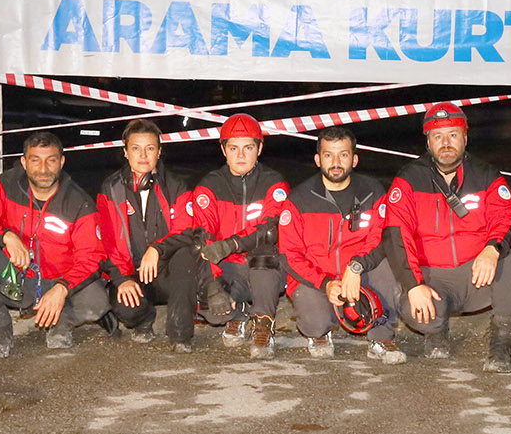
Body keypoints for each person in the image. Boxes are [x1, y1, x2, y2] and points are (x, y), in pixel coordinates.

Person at [381, 102, 511, 370]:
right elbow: (396, 234)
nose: (446, 143)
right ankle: (436, 333)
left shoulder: (486, 175)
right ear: (427, 142)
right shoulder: (409, 179)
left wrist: (492, 248)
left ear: (465, 137)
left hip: (477, 275)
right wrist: (413, 285)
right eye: (438, 136)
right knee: (426, 318)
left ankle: (502, 342)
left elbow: (507, 216)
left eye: (453, 135)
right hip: (433, 278)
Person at [0, 131, 108, 355]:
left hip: (59, 283)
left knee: (98, 301)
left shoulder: (79, 203)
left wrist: (62, 288)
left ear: (62, 162)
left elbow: (92, 258)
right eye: (35, 160)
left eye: (51, 160)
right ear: (24, 162)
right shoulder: (5, 184)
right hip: (17, 280)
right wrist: (5, 236)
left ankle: (60, 323)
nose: (43, 169)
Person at [282, 126, 406, 363]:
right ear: (318, 159)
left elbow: (380, 238)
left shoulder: (372, 191)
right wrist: (325, 283)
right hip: (318, 278)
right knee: (314, 321)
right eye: (329, 155)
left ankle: (381, 336)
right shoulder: (298, 199)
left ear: (355, 159)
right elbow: (289, 254)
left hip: (359, 272)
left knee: (388, 262)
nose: (336, 162)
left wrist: (357, 266)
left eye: (344, 154)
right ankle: (319, 334)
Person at [186, 114, 297, 360]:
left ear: (260, 148)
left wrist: (232, 244)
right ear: (223, 150)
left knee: (264, 255)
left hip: (265, 267)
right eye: (234, 148)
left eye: (248, 148)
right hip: (229, 270)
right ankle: (241, 313)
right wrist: (213, 286)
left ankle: (263, 323)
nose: (241, 155)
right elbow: (202, 239)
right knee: (209, 305)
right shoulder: (208, 186)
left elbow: (271, 231)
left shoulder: (274, 183)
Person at [96, 119, 202, 350]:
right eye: (136, 148)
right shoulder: (111, 189)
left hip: (166, 272)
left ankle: (180, 334)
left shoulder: (176, 186)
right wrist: (121, 279)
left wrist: (156, 248)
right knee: (126, 308)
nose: (143, 155)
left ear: (159, 152)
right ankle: (144, 320)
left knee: (186, 254)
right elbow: (105, 240)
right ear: (125, 152)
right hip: (132, 274)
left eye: (150, 148)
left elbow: (187, 230)